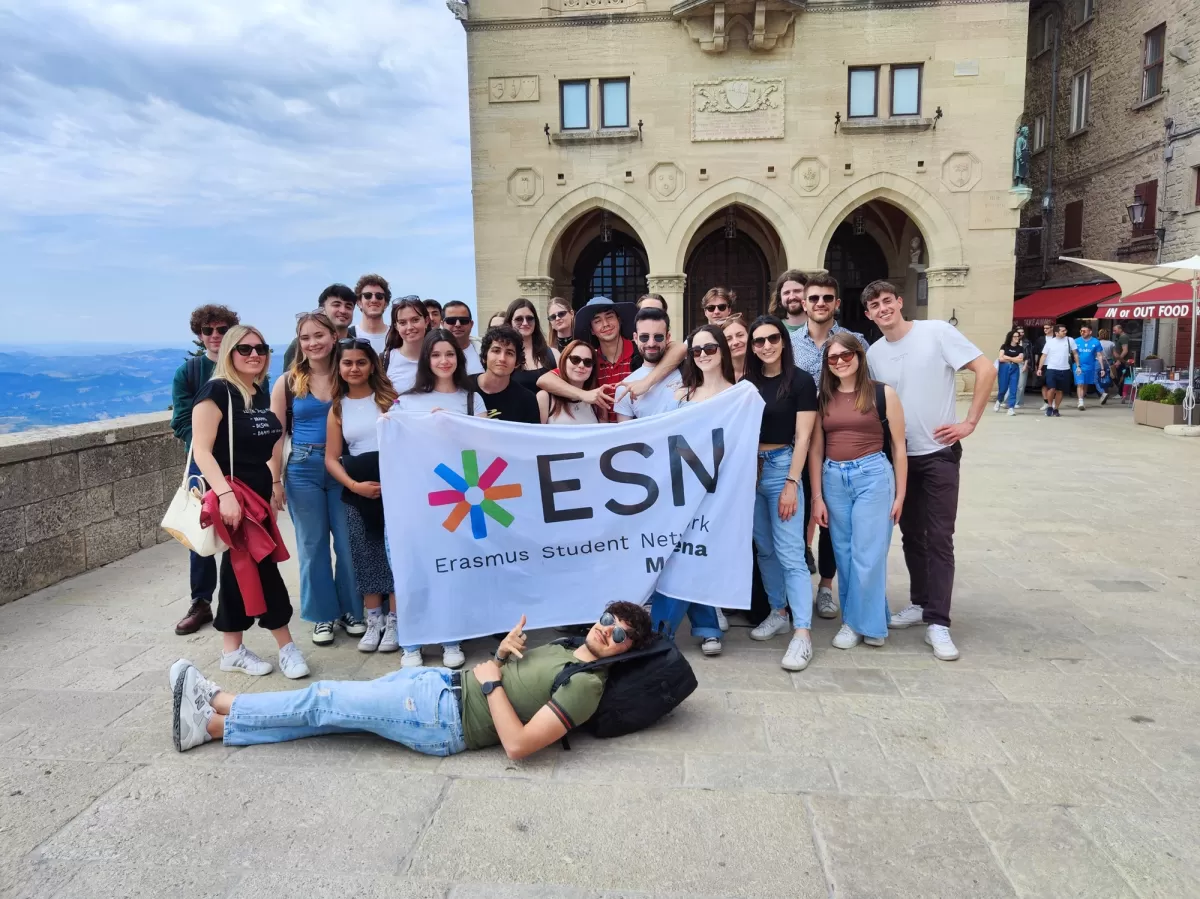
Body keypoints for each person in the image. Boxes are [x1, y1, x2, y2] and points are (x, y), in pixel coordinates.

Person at [170, 603, 653, 756]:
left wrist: (490, 683)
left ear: (627, 648)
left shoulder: (588, 684)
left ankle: (222, 699)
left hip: (444, 719)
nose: (606, 629)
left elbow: (521, 745)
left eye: (620, 632)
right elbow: (508, 678)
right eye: (608, 618)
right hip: (437, 690)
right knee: (332, 718)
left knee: (324, 698)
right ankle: (211, 729)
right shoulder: (569, 647)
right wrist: (503, 656)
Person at [862, 280, 994, 662]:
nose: (883, 308)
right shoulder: (874, 353)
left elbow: (984, 369)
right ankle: (921, 601)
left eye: (888, 300)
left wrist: (969, 422)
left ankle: (939, 621)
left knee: (938, 537)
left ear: (900, 302)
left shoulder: (936, 332)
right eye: (875, 305)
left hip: (938, 453)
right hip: (899, 457)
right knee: (911, 536)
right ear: (869, 315)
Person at [190, 325, 308, 679]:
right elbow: (201, 450)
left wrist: (273, 482)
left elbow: (270, 443)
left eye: (260, 348)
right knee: (259, 566)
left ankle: (232, 649)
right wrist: (225, 496)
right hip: (234, 495)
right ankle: (285, 645)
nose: (254, 354)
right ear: (229, 352)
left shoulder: (255, 392)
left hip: (256, 494)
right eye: (245, 349)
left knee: (240, 568)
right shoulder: (216, 392)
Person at [392, 330, 488, 668]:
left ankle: (451, 637)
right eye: (435, 355)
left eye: (449, 354)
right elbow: (394, 445)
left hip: (457, 498)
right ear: (425, 360)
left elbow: (483, 449)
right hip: (417, 497)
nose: (443, 361)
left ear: (459, 359)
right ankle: (413, 641)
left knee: (450, 569)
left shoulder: (473, 400)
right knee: (413, 567)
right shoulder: (405, 401)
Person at [270, 313, 364, 646]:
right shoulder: (287, 382)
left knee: (349, 543)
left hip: (343, 467)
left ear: (333, 336)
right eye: (306, 337)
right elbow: (277, 434)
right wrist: (274, 482)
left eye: (319, 335)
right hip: (303, 468)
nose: (313, 343)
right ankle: (322, 615)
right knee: (312, 547)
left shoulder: (348, 376)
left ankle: (353, 609)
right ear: (299, 342)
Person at [809, 332, 907, 650]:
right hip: (834, 478)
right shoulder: (823, 397)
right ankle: (864, 617)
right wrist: (817, 497)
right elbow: (815, 450)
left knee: (869, 554)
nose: (839, 362)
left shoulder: (882, 394)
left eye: (845, 356)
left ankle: (863, 624)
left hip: (873, 476)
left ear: (859, 357)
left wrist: (901, 495)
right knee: (845, 553)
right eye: (832, 358)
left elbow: (899, 447)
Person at [789, 274, 871, 621]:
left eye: (827, 298)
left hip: (839, 442)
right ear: (803, 303)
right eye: (814, 298)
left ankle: (826, 586)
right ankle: (794, 586)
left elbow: (869, 389)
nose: (820, 304)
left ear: (837, 303)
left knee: (833, 520)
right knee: (797, 516)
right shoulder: (789, 343)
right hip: (799, 444)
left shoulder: (856, 342)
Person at [652, 325, 737, 657]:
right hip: (683, 489)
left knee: (696, 556)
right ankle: (705, 627)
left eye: (710, 348)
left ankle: (662, 633)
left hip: (719, 491)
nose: (703, 355)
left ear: (722, 351)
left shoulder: (739, 395)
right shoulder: (681, 396)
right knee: (678, 557)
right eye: (697, 350)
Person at [744, 316, 819, 671]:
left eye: (773, 338)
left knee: (791, 552)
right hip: (750, 470)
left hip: (781, 467)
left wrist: (792, 482)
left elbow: (804, 436)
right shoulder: (747, 382)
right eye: (758, 342)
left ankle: (802, 633)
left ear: (784, 341)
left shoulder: (801, 382)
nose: (766, 346)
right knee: (765, 548)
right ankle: (779, 611)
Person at [324, 338, 400, 655]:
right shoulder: (338, 408)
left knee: (395, 555)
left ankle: (396, 619)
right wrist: (355, 486)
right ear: (339, 368)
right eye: (347, 363)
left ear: (371, 365)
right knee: (365, 554)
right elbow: (331, 457)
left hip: (394, 490)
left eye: (361, 362)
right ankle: (373, 620)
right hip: (359, 492)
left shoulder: (389, 400)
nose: (354, 368)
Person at [170, 304, 240, 636]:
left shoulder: (245, 365)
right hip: (202, 463)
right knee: (201, 532)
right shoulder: (189, 373)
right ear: (199, 334)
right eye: (207, 330)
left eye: (221, 330)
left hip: (240, 460)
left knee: (240, 528)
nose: (214, 336)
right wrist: (206, 447)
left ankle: (236, 596)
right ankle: (201, 601)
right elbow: (181, 421)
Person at [614, 307, 684, 422]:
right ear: (635, 338)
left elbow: (683, 346)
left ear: (668, 338)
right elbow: (625, 435)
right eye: (644, 337)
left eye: (658, 337)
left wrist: (647, 383)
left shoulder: (687, 369)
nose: (651, 343)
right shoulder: (625, 389)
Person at [471, 325, 542, 423]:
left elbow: (531, 437)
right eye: (496, 351)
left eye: (509, 353)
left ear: (517, 362)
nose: (502, 358)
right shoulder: (463, 387)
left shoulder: (527, 400)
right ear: (484, 356)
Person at [282, 284, 358, 370]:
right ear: (321, 310)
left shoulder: (357, 346)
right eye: (336, 305)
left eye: (348, 307)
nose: (343, 311)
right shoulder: (301, 346)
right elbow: (289, 381)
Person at [538, 339, 600, 424]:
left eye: (588, 362)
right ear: (564, 361)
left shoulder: (596, 400)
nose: (581, 365)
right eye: (575, 359)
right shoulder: (545, 397)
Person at [505, 298, 559, 393]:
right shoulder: (503, 357)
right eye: (519, 319)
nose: (525, 323)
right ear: (510, 323)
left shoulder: (554, 354)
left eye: (529, 318)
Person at [381, 297, 430, 392]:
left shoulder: (441, 357)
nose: (410, 327)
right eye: (403, 323)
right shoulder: (385, 360)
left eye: (415, 320)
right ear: (396, 326)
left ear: (426, 321)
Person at [1037, 324, 1077, 418]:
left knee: (1060, 391)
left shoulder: (1069, 340)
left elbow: (1075, 353)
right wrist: (1039, 368)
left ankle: (1056, 408)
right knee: (1051, 388)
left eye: (1065, 330)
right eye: (1062, 331)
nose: (1065, 332)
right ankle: (1050, 406)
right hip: (1051, 368)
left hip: (1065, 369)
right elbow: (1044, 355)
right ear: (1056, 333)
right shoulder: (1050, 342)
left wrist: (1078, 366)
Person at [442, 301, 485, 375]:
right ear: (442, 324)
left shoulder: (485, 352)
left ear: (471, 324)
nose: (458, 324)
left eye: (463, 321)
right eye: (451, 321)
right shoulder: (430, 354)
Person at [354, 274, 391, 355]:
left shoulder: (398, 336)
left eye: (379, 296)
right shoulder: (349, 336)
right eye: (367, 296)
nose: (374, 300)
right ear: (359, 302)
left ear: (386, 303)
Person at [1073, 324, 1105, 410]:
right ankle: (1080, 401)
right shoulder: (1076, 341)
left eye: (1084, 331)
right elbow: (1073, 354)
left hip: (1090, 366)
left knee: (1085, 384)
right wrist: (1077, 365)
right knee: (1080, 383)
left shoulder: (1096, 342)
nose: (1082, 332)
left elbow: (1099, 355)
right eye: (1081, 331)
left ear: (1090, 332)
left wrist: (1102, 368)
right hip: (1078, 366)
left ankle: (1081, 399)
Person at [994, 329, 1025, 416]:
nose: (1017, 338)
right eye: (1015, 336)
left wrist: (1008, 357)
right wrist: (1015, 358)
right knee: (1003, 388)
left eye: (1018, 336)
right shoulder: (1004, 346)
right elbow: (1000, 358)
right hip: (1004, 367)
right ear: (1010, 337)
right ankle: (999, 400)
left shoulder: (1020, 348)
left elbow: (1020, 360)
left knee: (1014, 388)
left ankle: (1011, 407)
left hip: (1015, 368)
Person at [771, 269, 809, 334]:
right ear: (780, 298)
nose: (792, 297)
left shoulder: (820, 326)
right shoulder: (773, 329)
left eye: (797, 291)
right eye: (786, 293)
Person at [721, 315, 749, 382]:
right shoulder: (719, 375)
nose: (735, 342)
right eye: (728, 339)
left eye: (740, 335)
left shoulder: (764, 369)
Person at [1015, 326, 1034, 407]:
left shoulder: (1027, 342)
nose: (1021, 334)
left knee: (1021, 385)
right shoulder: (1011, 341)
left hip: (1023, 363)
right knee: (1011, 384)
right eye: (1019, 332)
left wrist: (1026, 365)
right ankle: (1006, 401)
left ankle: (1018, 402)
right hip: (1013, 363)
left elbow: (1029, 355)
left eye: (1022, 332)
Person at [1097, 328, 1116, 405]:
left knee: (1098, 378)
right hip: (1109, 361)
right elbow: (1114, 354)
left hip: (1098, 361)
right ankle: (1106, 392)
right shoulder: (1111, 343)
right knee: (1106, 378)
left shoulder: (1097, 342)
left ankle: (1102, 394)